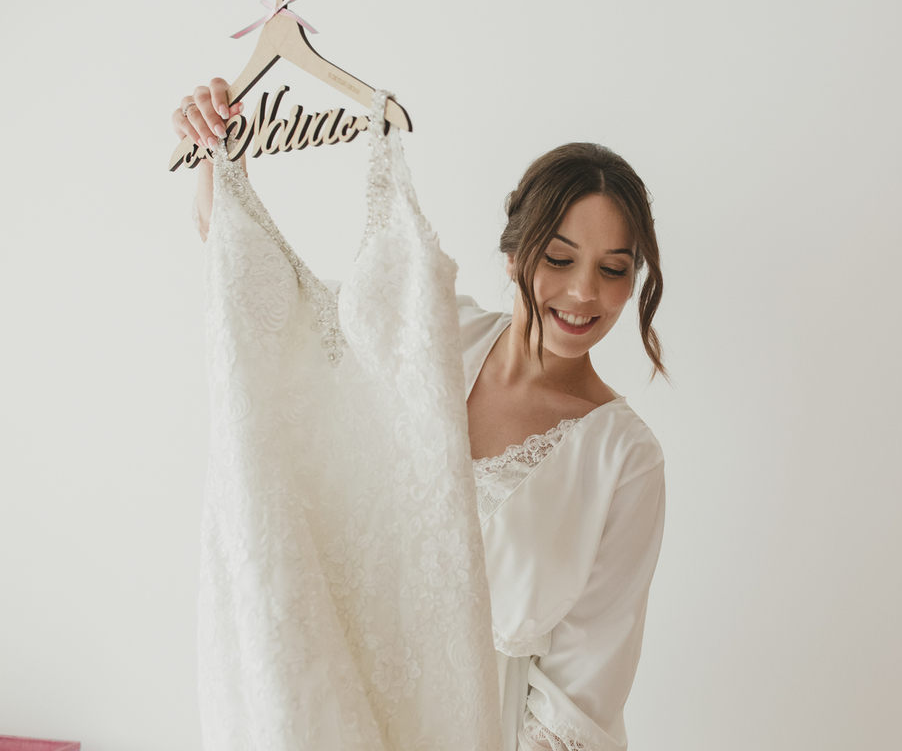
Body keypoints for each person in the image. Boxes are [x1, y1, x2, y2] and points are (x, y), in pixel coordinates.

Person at [174, 79, 668, 751]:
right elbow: (274, 314)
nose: (586, 293)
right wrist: (216, 155)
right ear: (514, 251)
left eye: (614, 270)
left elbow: (582, 697)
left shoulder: (624, 459)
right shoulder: (430, 333)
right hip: (344, 711)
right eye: (559, 258)